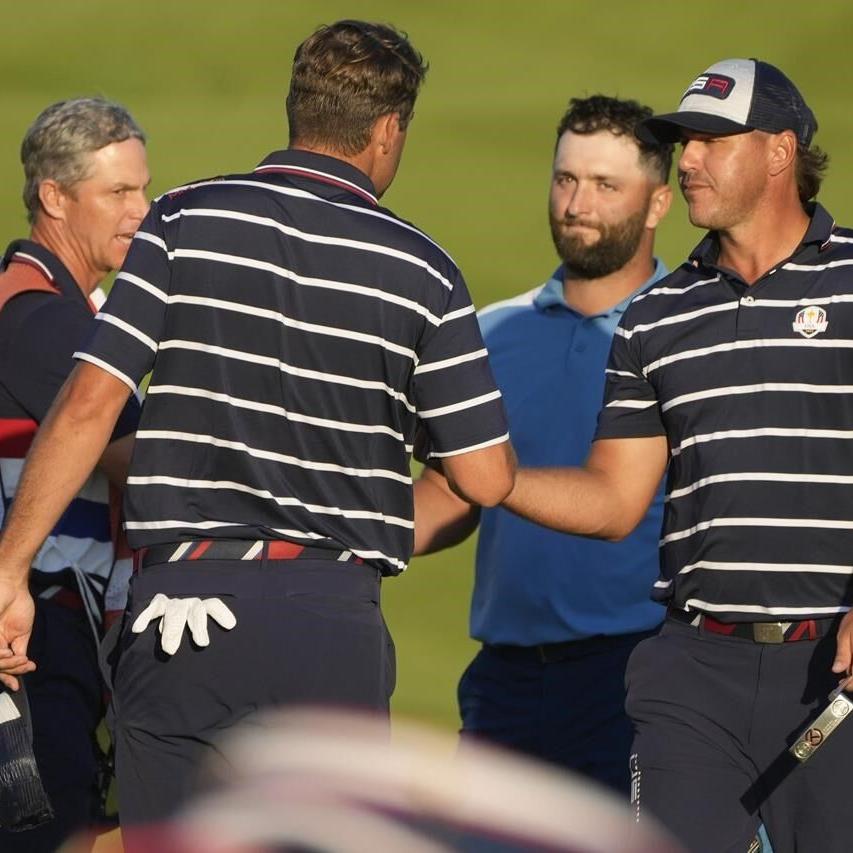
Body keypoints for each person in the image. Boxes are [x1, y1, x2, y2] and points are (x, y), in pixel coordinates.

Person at [0, 19, 515, 836]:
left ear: (294, 108)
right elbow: (484, 478)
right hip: (330, 619)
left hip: (182, 612)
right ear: (387, 132)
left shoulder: (178, 219)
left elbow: (90, 401)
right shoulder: (425, 268)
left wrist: (11, 567)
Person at [496, 58, 853, 853]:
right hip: (694, 671)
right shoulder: (656, 316)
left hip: (831, 665)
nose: (686, 159)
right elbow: (616, 498)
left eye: (711, 140)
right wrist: (501, 478)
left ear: (778, 151)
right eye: (682, 140)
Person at [414, 95, 672, 794]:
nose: (576, 203)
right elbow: (448, 491)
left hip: (640, 678)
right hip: (504, 685)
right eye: (564, 179)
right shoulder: (487, 335)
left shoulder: (692, 337)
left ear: (657, 205)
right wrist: (341, 526)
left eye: (604, 185)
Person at [0, 98, 148, 850]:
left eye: (143, 190)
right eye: (119, 193)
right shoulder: (42, 318)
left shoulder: (54, 305)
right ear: (54, 197)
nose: (141, 211)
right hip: (41, 642)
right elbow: (143, 459)